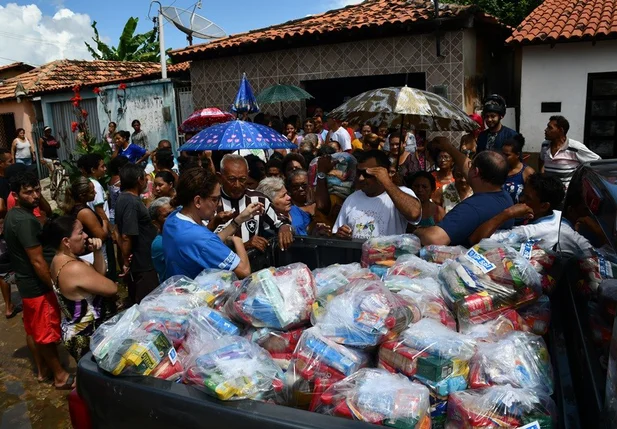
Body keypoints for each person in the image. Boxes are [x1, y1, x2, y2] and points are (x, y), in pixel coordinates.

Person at [4, 171, 74, 389]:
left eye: (37, 190)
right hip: (36, 286)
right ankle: (60, 376)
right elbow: (37, 261)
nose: (34, 195)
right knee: (45, 334)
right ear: (15, 195)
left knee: (35, 330)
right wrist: (54, 285)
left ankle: (43, 371)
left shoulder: (15, 215)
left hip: (28, 285)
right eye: (28, 192)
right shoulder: (25, 221)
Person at [414, 138, 514, 247]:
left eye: (471, 165)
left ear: (475, 172)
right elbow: (467, 168)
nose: (467, 167)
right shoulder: (504, 197)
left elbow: (433, 239)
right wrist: (448, 147)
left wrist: (418, 231)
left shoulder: (471, 208)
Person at [44, 216, 117, 362]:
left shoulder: (59, 259)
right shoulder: (74, 268)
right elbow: (111, 288)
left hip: (75, 331)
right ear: (66, 241)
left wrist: (97, 251)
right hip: (87, 336)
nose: (85, 236)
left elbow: (97, 275)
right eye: (80, 233)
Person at [163, 167, 252, 279]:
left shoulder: (173, 218)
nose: (219, 204)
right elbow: (244, 271)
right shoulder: (201, 239)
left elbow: (207, 246)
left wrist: (237, 221)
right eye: (214, 199)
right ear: (198, 201)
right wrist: (237, 240)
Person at [470, 174, 591, 254]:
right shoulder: (559, 218)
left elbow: (476, 239)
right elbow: (590, 250)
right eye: (522, 194)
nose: (521, 199)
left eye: (527, 198)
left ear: (544, 206)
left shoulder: (530, 232)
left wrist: (507, 214)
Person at [333, 150, 421, 239]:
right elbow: (338, 232)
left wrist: (386, 181)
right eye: (359, 173)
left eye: (367, 174)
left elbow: (414, 214)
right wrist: (341, 233)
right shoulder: (352, 199)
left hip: (389, 252)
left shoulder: (402, 193)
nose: (361, 178)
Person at [214, 154, 294, 252]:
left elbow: (279, 221)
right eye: (232, 179)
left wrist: (284, 227)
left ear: (248, 175)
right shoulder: (212, 202)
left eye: (242, 179)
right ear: (220, 177)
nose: (237, 185)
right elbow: (206, 242)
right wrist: (244, 246)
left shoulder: (259, 199)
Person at [115, 164, 158, 304]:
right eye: (145, 179)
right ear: (139, 180)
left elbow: (117, 230)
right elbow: (126, 235)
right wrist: (126, 260)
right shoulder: (131, 202)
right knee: (148, 302)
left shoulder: (124, 198)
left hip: (142, 261)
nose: (146, 182)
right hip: (143, 263)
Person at [540, 115, 600, 190]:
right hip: (548, 193)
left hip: (566, 197)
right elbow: (541, 160)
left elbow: (597, 162)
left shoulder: (575, 147)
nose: (546, 130)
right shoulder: (545, 145)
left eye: (550, 128)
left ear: (561, 130)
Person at [62, 177, 110, 265]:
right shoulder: (85, 212)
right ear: (82, 196)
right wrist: (105, 222)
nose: (95, 193)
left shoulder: (73, 208)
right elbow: (102, 236)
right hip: (91, 255)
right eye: (92, 192)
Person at [0, 148, 18, 319]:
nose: (12, 164)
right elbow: (1, 207)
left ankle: (8, 305)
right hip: (3, 229)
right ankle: (9, 305)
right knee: (8, 266)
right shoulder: (3, 183)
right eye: (9, 161)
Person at [502, 135, 534, 204]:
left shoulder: (527, 172)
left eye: (507, 155)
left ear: (517, 155)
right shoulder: (499, 169)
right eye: (502, 154)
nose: (503, 157)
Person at [149, 197, 174, 281]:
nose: (173, 218)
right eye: (166, 216)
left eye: (174, 213)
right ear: (155, 223)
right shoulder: (160, 243)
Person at [107, 156, 129, 225]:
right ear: (120, 169)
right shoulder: (120, 181)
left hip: (112, 214)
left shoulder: (111, 179)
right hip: (120, 216)